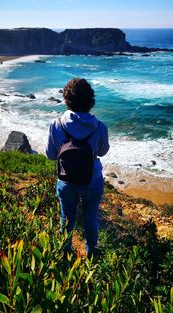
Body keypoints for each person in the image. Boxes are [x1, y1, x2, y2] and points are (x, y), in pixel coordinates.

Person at [45, 78, 109, 258]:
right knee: (90, 218)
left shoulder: (56, 124)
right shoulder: (100, 127)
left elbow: (50, 155)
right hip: (92, 180)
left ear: (66, 100)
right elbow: (103, 152)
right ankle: (92, 257)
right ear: (91, 102)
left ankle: (64, 255)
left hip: (66, 180)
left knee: (67, 219)